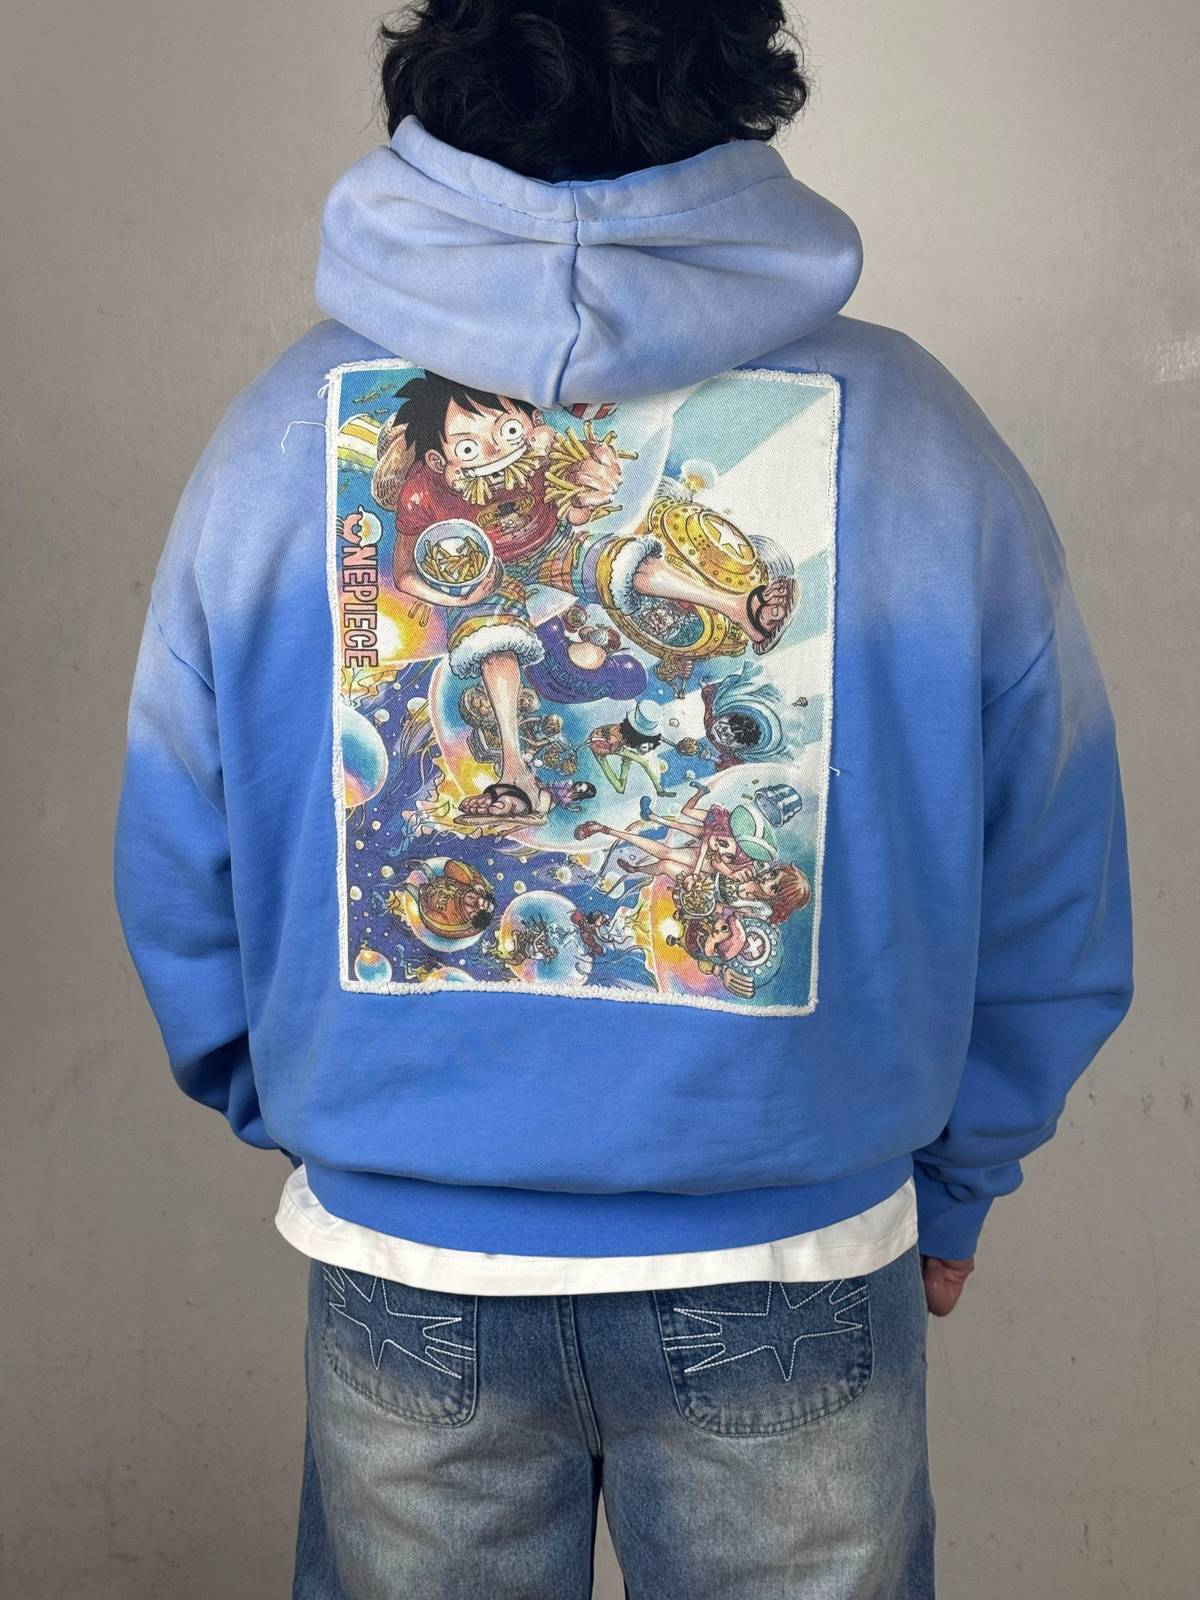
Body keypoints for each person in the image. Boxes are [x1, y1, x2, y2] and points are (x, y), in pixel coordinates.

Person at [112, 3, 1133, 1596]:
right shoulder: (925, 443)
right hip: (793, 1254)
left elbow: (180, 858)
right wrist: (962, 1171)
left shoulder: (272, 444)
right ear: (741, 88)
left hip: (411, 1261)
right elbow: (1055, 865)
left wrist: (343, 1119)